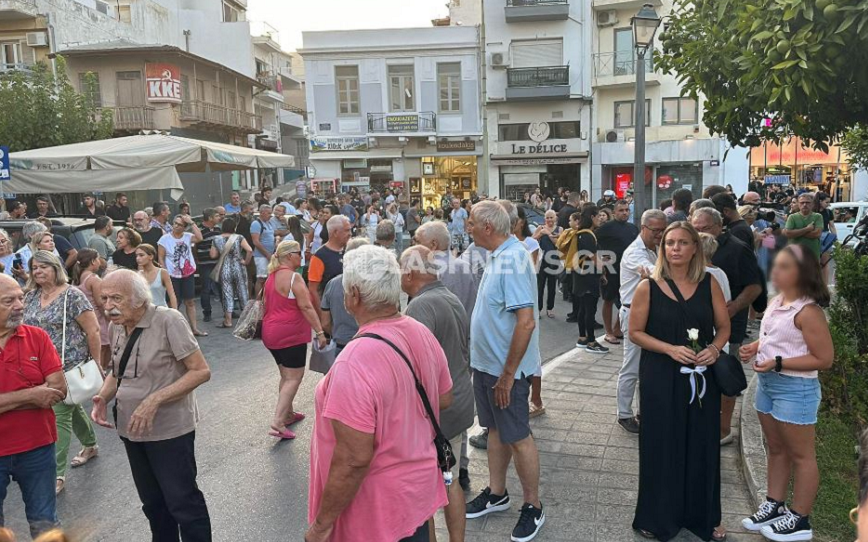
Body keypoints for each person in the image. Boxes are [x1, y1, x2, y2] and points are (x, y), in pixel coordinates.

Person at [306, 245, 453, 542]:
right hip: (415, 492)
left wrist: (321, 526)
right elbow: (445, 397)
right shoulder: (418, 330)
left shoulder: (354, 361)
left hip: (373, 512)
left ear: (355, 295)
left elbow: (353, 458)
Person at [91, 270, 212, 542]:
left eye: (116, 299)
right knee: (153, 504)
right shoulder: (117, 324)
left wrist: (154, 399)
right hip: (131, 429)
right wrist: (103, 397)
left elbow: (200, 371)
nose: (108, 307)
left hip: (169, 431)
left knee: (182, 502)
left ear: (139, 299)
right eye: (104, 298)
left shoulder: (169, 320)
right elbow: (117, 371)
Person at [629, 221, 730, 542]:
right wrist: (670, 349)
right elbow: (635, 333)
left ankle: (705, 516)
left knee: (701, 444)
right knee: (661, 445)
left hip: (700, 378)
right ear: (662, 249)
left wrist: (714, 349)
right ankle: (656, 516)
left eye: (682, 243)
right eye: (669, 243)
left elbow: (724, 327)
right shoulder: (648, 286)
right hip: (660, 376)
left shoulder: (709, 283)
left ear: (694, 248)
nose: (675, 248)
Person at [738, 245, 833, 542]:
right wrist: (756, 347)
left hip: (796, 388)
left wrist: (778, 362)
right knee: (776, 448)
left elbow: (824, 358)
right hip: (769, 385)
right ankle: (774, 505)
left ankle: (800, 518)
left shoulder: (808, 311)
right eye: (775, 266)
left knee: (802, 455)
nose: (775, 272)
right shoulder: (779, 302)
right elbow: (778, 338)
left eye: (783, 267)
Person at [464, 201, 545, 542]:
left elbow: (525, 323)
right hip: (488, 367)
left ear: (487, 227)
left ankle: (533, 506)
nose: (466, 226)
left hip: (503, 372)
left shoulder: (512, 259)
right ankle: (497, 493)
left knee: (517, 436)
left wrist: (508, 375)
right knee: (495, 430)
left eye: (470, 222)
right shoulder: (500, 254)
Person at [400, 245, 474, 540]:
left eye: (402, 268)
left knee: (429, 491)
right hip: (457, 405)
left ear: (412, 272)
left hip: (438, 414)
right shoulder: (448, 297)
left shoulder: (420, 306)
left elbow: (417, 367)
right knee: (450, 481)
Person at [22, 251, 102, 496]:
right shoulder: (31, 296)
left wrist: (96, 363)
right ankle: (90, 445)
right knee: (71, 406)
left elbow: (93, 331)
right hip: (38, 368)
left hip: (68, 366)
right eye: (34, 268)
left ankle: (55, 474)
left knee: (59, 417)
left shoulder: (72, 295)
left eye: (44, 267)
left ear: (56, 268)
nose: (38, 272)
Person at [0, 274, 66, 538]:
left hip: (38, 447)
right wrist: (30, 396)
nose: (19, 305)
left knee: (45, 523)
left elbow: (58, 389)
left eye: (20, 297)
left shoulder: (37, 336)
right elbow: (42, 393)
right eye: (8, 300)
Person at [692, 207, 763, 445]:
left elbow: (754, 285)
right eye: (695, 227)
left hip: (726, 329)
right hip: (708, 331)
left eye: (704, 228)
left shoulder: (736, 248)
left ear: (719, 225)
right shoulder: (701, 262)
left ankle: (723, 428)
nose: (698, 232)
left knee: (724, 376)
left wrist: (729, 311)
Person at [262, 241, 326, 440]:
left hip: (271, 332)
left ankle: (287, 414)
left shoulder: (271, 277)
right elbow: (306, 307)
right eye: (300, 253)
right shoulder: (294, 277)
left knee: (285, 375)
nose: (303, 255)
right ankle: (278, 421)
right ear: (290, 256)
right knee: (293, 378)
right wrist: (320, 331)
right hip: (290, 333)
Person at [614, 209, 667, 434]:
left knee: (646, 367)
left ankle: (642, 411)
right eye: (655, 230)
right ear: (643, 228)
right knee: (632, 366)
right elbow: (656, 273)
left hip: (649, 314)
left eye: (663, 230)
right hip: (632, 313)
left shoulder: (655, 248)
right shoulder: (635, 252)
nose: (660, 235)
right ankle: (624, 414)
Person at [414, 221, 479, 320]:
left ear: (433, 244)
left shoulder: (430, 272)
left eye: (418, 242)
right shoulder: (466, 266)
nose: (414, 247)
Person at [595, 200, 639, 345]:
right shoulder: (606, 228)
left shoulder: (633, 228)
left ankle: (617, 328)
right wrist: (600, 257)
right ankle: (608, 332)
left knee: (628, 301)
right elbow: (591, 241)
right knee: (608, 299)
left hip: (629, 271)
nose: (625, 212)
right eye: (621, 210)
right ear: (614, 213)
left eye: (626, 210)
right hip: (611, 269)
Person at [320, 238, 368, 356]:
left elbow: (325, 323)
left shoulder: (332, 284)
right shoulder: (373, 283)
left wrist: (338, 333)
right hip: (368, 344)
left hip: (341, 345)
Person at [158, 215, 205, 336]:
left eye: (179, 224)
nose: (176, 226)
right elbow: (161, 258)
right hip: (172, 275)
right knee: (174, 303)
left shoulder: (188, 237)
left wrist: (192, 222)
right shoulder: (164, 239)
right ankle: (173, 329)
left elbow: (200, 238)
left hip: (187, 274)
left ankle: (194, 328)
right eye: (175, 223)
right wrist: (164, 273)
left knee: (190, 301)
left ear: (184, 227)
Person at [208, 218, 252, 328]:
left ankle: (228, 321)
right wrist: (246, 261)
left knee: (227, 294)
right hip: (239, 267)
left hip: (225, 269)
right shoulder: (239, 237)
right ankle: (246, 320)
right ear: (234, 227)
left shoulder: (216, 239)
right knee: (242, 292)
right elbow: (249, 250)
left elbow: (213, 255)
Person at [72, 249, 111, 369]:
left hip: (84, 320)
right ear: (93, 261)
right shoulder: (94, 279)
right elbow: (100, 303)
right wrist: (109, 318)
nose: (100, 262)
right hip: (98, 319)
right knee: (103, 351)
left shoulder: (77, 278)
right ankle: (100, 377)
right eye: (98, 259)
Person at [309, 215, 351, 318]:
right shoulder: (320, 256)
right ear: (335, 232)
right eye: (346, 230)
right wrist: (323, 315)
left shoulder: (351, 251)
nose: (350, 234)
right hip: (333, 313)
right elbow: (313, 290)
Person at [532, 210, 562, 319]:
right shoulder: (540, 228)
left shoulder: (560, 229)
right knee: (540, 286)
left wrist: (549, 234)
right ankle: (538, 309)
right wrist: (540, 233)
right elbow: (531, 240)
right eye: (547, 217)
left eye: (551, 217)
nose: (549, 220)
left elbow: (559, 244)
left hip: (554, 260)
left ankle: (550, 308)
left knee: (552, 286)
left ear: (555, 218)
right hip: (541, 260)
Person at [195, 209, 222, 324]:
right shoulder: (199, 230)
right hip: (204, 264)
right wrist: (196, 259)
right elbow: (194, 246)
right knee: (205, 288)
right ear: (210, 218)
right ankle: (207, 312)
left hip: (217, 263)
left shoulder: (218, 229)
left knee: (222, 287)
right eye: (217, 216)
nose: (219, 217)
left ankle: (228, 310)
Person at [251, 204, 283, 296]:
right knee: (261, 278)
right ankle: (258, 300)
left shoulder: (269, 223)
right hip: (261, 256)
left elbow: (273, 234)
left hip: (270, 255)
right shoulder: (256, 224)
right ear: (262, 213)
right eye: (268, 213)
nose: (270, 215)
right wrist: (267, 254)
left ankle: (267, 298)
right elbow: (256, 242)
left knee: (269, 278)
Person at [136, 244, 177, 309]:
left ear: (151, 256)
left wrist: (175, 313)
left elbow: (171, 294)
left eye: (141, 255)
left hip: (161, 312)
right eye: (137, 255)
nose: (138, 258)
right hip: (145, 313)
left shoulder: (162, 272)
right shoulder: (138, 275)